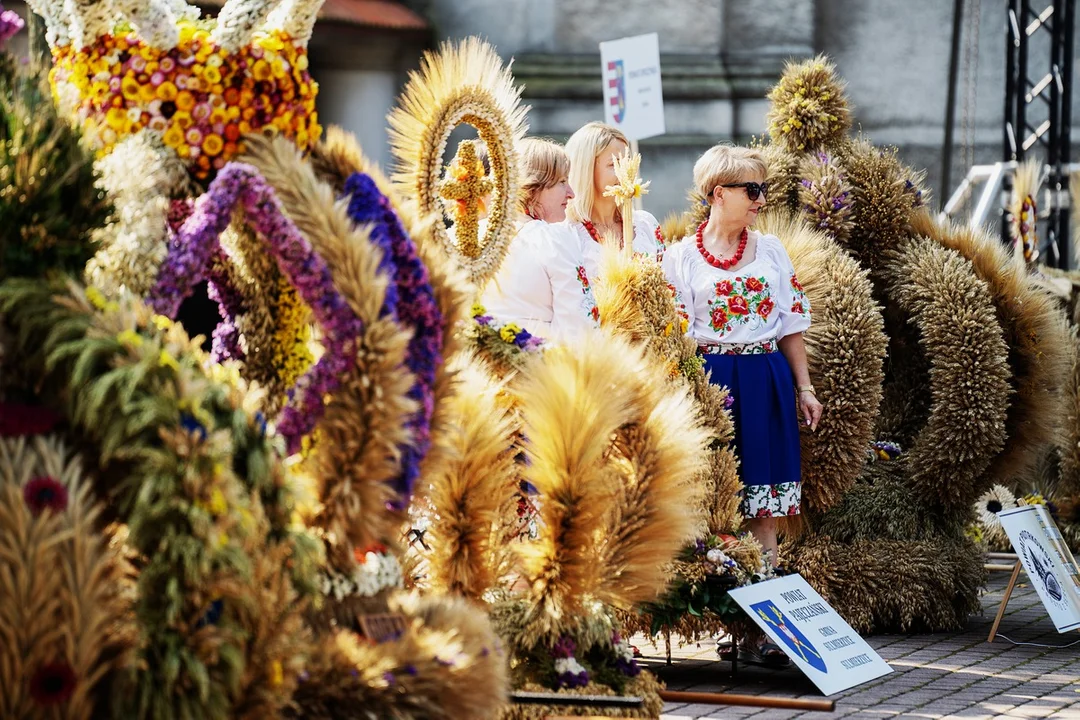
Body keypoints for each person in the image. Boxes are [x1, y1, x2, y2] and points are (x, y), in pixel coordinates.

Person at [662, 144, 823, 666]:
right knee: (719, 505)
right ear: (718, 193)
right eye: (751, 190)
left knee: (766, 508)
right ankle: (726, 622)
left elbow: (793, 324)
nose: (760, 199)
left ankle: (770, 629)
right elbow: (675, 338)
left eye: (763, 189)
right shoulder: (681, 256)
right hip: (713, 384)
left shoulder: (773, 249)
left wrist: (804, 388)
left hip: (767, 377)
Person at [481, 137, 599, 340]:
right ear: (532, 188)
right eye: (562, 182)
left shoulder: (461, 235)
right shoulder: (553, 239)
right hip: (541, 363)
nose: (571, 193)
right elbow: (580, 329)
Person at [564, 122, 665, 277]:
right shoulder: (568, 234)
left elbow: (669, 287)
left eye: (628, 162)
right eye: (615, 164)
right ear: (586, 170)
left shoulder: (646, 225)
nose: (626, 172)